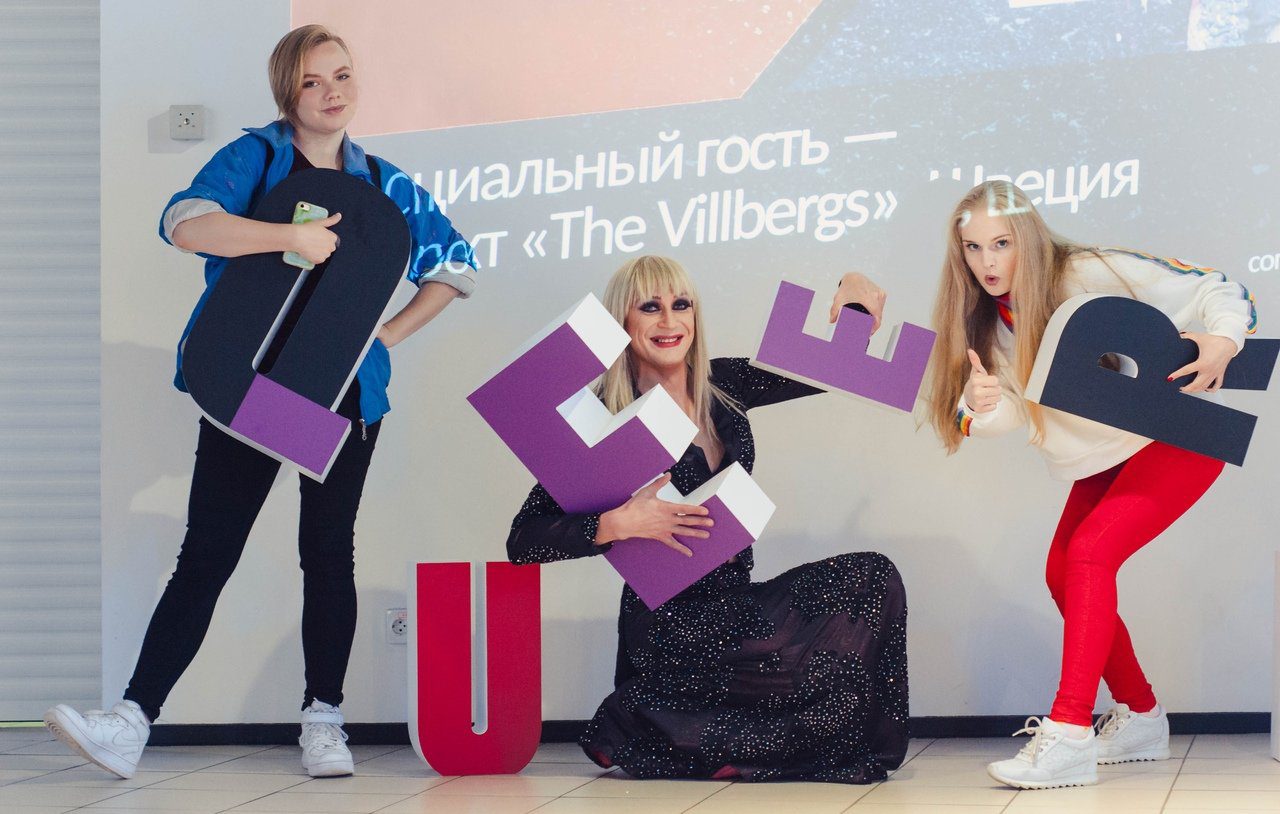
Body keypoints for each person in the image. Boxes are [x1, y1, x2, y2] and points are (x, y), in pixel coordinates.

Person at [43, 25, 476, 779]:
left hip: (343, 395)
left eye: (342, 75)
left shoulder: (386, 182)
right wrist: (288, 238)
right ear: (287, 91)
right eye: (313, 80)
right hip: (253, 386)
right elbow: (185, 224)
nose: (332, 92)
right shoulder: (258, 158)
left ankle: (324, 721)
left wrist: (383, 339)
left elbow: (456, 266)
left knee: (326, 551)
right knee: (209, 551)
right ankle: (131, 721)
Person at [506, 255, 908, 783]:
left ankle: (698, 739)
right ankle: (654, 720)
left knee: (873, 578)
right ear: (621, 320)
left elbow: (831, 366)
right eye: (649, 308)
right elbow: (523, 541)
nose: (669, 322)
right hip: (670, 623)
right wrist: (617, 524)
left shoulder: (725, 383)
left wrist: (851, 286)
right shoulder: (603, 417)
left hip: (735, 604)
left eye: (681, 305)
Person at [927, 180, 1255, 789]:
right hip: (1106, 456)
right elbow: (1009, 413)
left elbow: (1218, 287)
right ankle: (1141, 716)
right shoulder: (985, 320)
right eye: (973, 248)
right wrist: (981, 403)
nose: (988, 262)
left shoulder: (1087, 270)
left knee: (1090, 553)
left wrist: (1223, 339)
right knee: (1063, 572)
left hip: (1177, 433)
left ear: (1026, 236)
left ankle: (1070, 731)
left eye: (1001, 243)